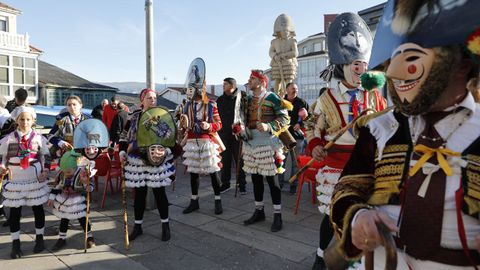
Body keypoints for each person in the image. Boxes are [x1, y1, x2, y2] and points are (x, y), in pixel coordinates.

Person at [329, 1, 480, 269]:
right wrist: (357, 217)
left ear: (461, 64)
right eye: (394, 58)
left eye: (412, 58)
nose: (393, 73)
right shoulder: (378, 128)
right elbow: (347, 188)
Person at [307, 13, 387, 270]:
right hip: (337, 167)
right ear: (343, 65)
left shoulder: (374, 97)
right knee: (333, 215)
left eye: (363, 65)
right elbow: (312, 127)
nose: (360, 70)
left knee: (364, 215)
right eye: (355, 65)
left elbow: (389, 126)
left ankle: (360, 260)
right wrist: (315, 145)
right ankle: (321, 255)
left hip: (369, 166)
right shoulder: (326, 99)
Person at [120, 88, 178, 242]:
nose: (153, 100)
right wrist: (122, 151)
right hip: (137, 160)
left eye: (154, 98)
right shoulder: (134, 117)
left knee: (160, 194)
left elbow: (171, 138)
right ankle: (138, 226)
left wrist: (165, 151)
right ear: (142, 100)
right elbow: (123, 136)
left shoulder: (163, 116)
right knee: (139, 195)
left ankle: (165, 226)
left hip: (157, 159)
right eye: (149, 98)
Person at [237, 70, 289, 232]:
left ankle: (278, 215)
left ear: (261, 81)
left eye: (252, 78)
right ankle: (259, 211)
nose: (249, 80)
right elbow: (239, 119)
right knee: (256, 179)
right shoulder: (246, 99)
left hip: (269, 144)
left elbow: (285, 118)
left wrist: (269, 126)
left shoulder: (273, 97)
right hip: (251, 143)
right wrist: (239, 130)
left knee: (273, 181)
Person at [0, 106, 50, 259]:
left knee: (37, 209)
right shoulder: (9, 138)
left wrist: (45, 171)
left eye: (28, 119)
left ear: (33, 120)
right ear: (16, 120)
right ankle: (16, 244)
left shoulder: (38, 138)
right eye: (22, 119)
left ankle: (40, 239)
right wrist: (2, 167)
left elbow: (45, 156)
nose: (25, 122)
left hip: (33, 178)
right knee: (15, 212)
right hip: (16, 178)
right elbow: (3, 157)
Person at [180, 58, 224, 215]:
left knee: (213, 172)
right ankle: (194, 201)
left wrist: (209, 126)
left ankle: (218, 200)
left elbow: (219, 124)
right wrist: (183, 123)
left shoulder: (211, 104)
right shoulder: (187, 105)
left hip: (207, 141)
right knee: (193, 173)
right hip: (192, 140)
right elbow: (182, 124)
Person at [48, 150, 95, 250]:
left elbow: (90, 188)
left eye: (69, 172)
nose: (66, 174)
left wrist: (86, 183)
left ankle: (89, 236)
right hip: (65, 198)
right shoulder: (62, 174)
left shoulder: (83, 173)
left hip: (78, 199)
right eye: (64, 171)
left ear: (75, 167)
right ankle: (62, 238)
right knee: (64, 218)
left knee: (82, 218)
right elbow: (57, 186)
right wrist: (52, 197)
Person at [216, 77, 247, 194]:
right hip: (223, 135)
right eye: (223, 84)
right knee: (226, 160)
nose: (223, 86)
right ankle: (225, 183)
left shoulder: (241, 98)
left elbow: (245, 114)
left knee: (239, 160)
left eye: (225, 84)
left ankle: (242, 184)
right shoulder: (220, 100)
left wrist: (243, 128)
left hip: (237, 135)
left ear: (232, 86)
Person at [278, 82, 309, 194]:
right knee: (281, 160)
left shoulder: (302, 102)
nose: (295, 90)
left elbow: (308, 118)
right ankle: (279, 184)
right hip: (283, 135)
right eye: (292, 88)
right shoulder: (281, 102)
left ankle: (293, 185)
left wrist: (301, 125)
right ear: (287, 90)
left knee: (296, 162)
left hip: (297, 137)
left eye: (296, 88)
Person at [269, 14, 298, 96]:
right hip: (277, 63)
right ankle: (276, 96)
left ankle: (287, 95)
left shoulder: (292, 41)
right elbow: (270, 52)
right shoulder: (274, 42)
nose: (285, 33)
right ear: (279, 32)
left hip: (288, 63)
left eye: (287, 31)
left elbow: (295, 53)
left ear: (290, 32)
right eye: (283, 31)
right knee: (277, 81)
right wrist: (275, 56)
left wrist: (284, 55)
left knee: (289, 81)